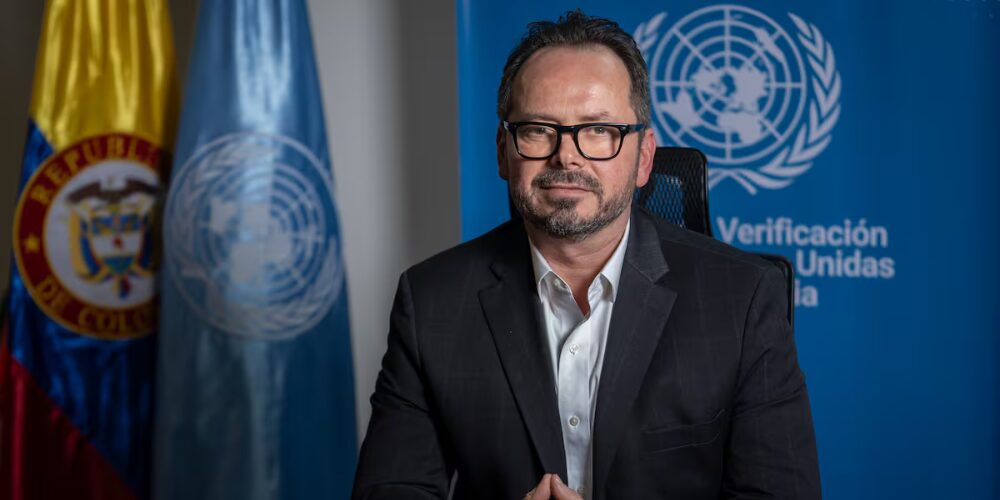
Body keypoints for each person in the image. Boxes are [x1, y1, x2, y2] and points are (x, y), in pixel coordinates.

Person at [352, 10, 820, 500]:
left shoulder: (742, 300)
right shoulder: (432, 302)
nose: (567, 156)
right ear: (503, 151)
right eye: (538, 129)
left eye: (598, 130)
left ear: (643, 158)